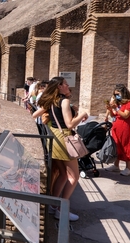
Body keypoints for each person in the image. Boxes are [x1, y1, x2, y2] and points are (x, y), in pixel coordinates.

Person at [32, 76, 88, 221]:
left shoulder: (50, 101)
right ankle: (61, 209)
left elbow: (34, 115)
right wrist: (82, 114)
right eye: (65, 84)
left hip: (54, 139)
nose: (68, 85)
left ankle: (53, 205)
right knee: (73, 177)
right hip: (64, 140)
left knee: (63, 174)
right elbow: (69, 125)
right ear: (59, 87)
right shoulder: (64, 101)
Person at [105, 84, 130, 176]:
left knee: (126, 145)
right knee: (116, 145)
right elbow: (114, 115)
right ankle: (116, 165)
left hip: (125, 127)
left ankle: (128, 168)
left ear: (123, 93)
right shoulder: (119, 103)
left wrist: (116, 108)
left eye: (118, 94)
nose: (117, 96)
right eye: (115, 94)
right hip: (116, 126)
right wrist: (110, 109)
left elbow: (126, 115)